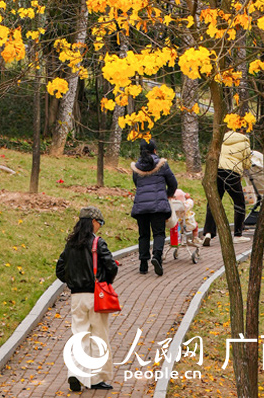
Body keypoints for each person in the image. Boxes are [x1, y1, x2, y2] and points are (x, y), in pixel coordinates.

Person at [56, 206, 118, 392]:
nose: (100, 226)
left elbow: (60, 270)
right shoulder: (98, 243)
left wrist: (72, 281)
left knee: (79, 335)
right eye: (100, 222)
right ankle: (97, 378)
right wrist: (105, 282)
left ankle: (75, 372)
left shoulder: (70, 244)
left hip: (77, 297)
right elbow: (111, 266)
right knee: (99, 336)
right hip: (96, 296)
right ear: (92, 222)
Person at [131, 138, 177, 276]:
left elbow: (137, 184)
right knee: (158, 233)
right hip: (158, 207)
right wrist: (166, 195)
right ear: (155, 150)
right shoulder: (162, 165)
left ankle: (143, 264)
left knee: (143, 235)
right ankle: (156, 257)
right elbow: (173, 183)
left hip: (141, 206)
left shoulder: (136, 167)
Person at [202, 128, 252, 245]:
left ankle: (208, 232)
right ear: (242, 131)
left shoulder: (222, 139)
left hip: (218, 171)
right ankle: (238, 234)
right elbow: (247, 164)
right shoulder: (244, 142)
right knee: (239, 202)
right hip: (233, 173)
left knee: (214, 201)